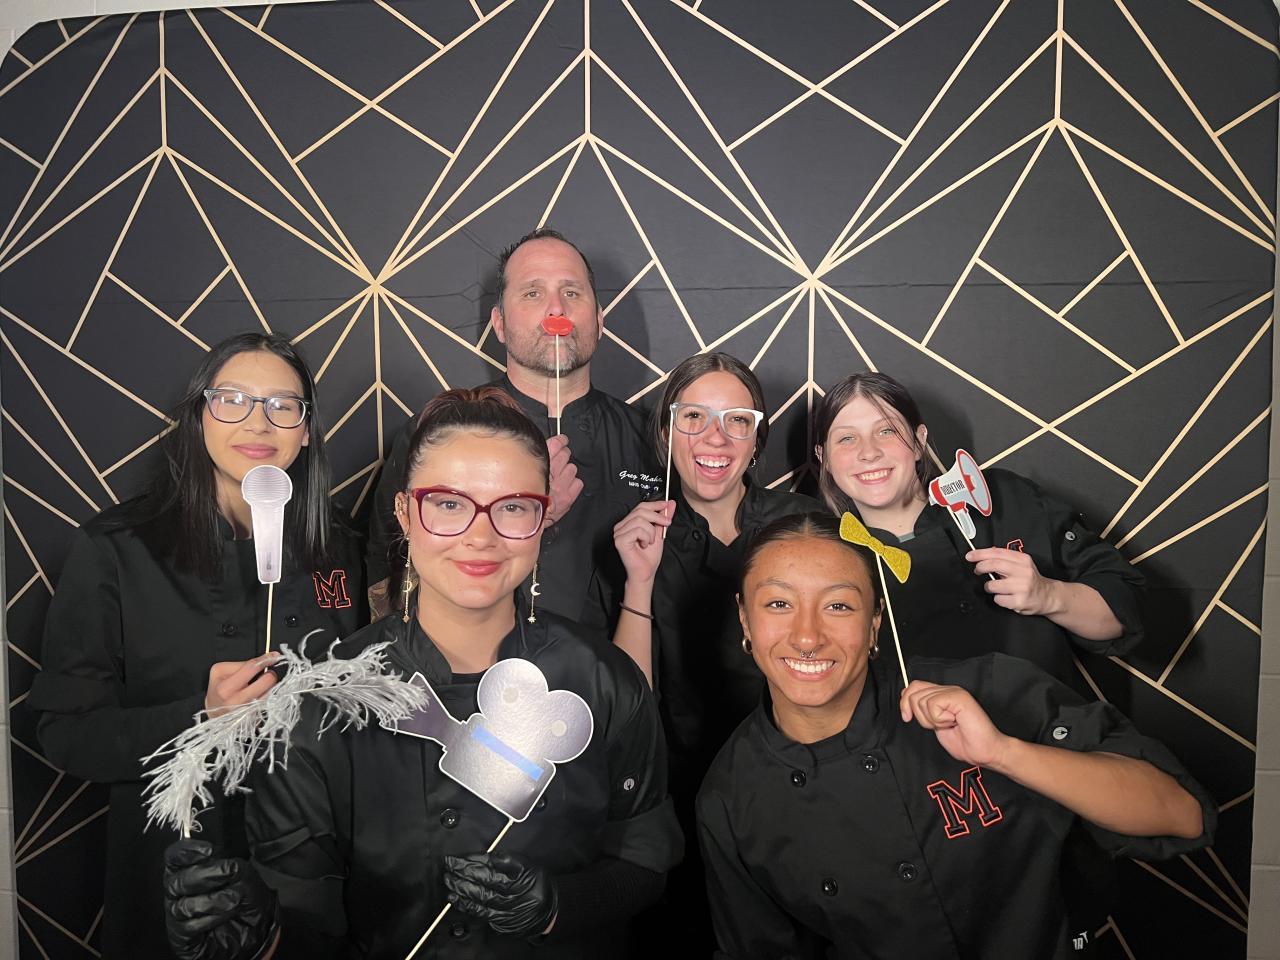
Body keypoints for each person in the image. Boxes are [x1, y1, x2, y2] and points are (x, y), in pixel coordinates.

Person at [163, 387, 681, 959]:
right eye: (449, 504)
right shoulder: (320, 704)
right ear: (406, 512)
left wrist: (561, 905)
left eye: (513, 507)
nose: (480, 536)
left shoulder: (605, 680)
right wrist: (265, 940)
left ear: (543, 518)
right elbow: (308, 914)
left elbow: (645, 861)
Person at [697, 512, 1214, 959]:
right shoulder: (730, 797)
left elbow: (1181, 814)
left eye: (839, 606)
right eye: (778, 604)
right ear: (744, 619)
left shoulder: (992, 690)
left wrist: (1004, 753)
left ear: (875, 622)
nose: (807, 637)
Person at [29, 332, 365, 958]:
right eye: (232, 399)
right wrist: (200, 717)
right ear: (200, 416)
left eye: (282, 405)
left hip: (313, 878)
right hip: (179, 878)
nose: (258, 422)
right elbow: (66, 733)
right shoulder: (116, 549)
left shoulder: (339, 546)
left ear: (306, 430)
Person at [611, 352, 822, 950]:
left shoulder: (805, 523)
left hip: (807, 788)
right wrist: (638, 581)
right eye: (694, 416)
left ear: (756, 440)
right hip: (686, 799)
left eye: (737, 420)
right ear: (666, 432)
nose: (715, 437)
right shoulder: (636, 538)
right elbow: (631, 700)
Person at [366, 228, 660, 637]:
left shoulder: (653, 441)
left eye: (572, 292)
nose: (556, 308)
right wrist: (532, 513)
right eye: (533, 293)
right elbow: (387, 580)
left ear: (598, 320)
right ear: (499, 324)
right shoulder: (437, 433)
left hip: (615, 670)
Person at [812, 372, 1144, 685]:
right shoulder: (823, 559)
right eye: (847, 438)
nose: (869, 452)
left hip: (1049, 724)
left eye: (886, 431)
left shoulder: (1005, 500)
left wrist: (1048, 595)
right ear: (823, 457)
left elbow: (1124, 610)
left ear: (919, 440)